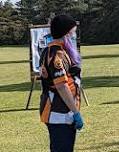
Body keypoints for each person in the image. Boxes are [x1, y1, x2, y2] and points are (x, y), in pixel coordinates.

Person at [39, 14, 84, 152]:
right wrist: (76, 112)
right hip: (58, 114)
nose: (74, 34)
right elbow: (61, 86)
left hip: (64, 112)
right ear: (66, 33)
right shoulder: (57, 55)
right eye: (73, 31)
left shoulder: (56, 51)